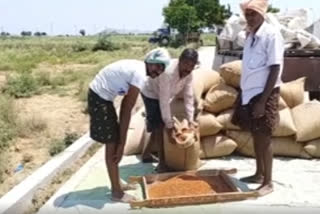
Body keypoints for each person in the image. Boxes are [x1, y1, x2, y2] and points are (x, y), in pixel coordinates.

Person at [87, 48, 170, 202]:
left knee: (115, 140)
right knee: (112, 144)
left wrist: (121, 141)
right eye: (157, 66)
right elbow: (126, 108)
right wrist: (122, 143)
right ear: (149, 62)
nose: (159, 71)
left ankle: (117, 183)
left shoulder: (140, 71)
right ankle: (116, 193)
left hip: (103, 98)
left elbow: (126, 107)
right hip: (99, 98)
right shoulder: (139, 73)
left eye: (162, 68)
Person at [231, 0, 284, 196]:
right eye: (247, 14)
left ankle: (268, 182)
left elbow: (275, 67)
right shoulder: (251, 35)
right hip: (250, 92)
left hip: (264, 93)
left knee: (264, 136)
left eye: (253, 14)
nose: (250, 18)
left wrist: (263, 101)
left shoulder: (271, 34)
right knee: (255, 134)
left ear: (262, 14)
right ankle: (259, 174)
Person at [141, 48, 199, 172]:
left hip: (163, 95)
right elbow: (163, 100)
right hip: (151, 93)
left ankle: (146, 154)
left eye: (192, 66)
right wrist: (169, 125)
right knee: (160, 126)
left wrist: (191, 119)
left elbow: (188, 96)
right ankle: (162, 164)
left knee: (158, 125)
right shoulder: (167, 72)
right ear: (180, 61)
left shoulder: (189, 74)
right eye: (185, 65)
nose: (188, 69)